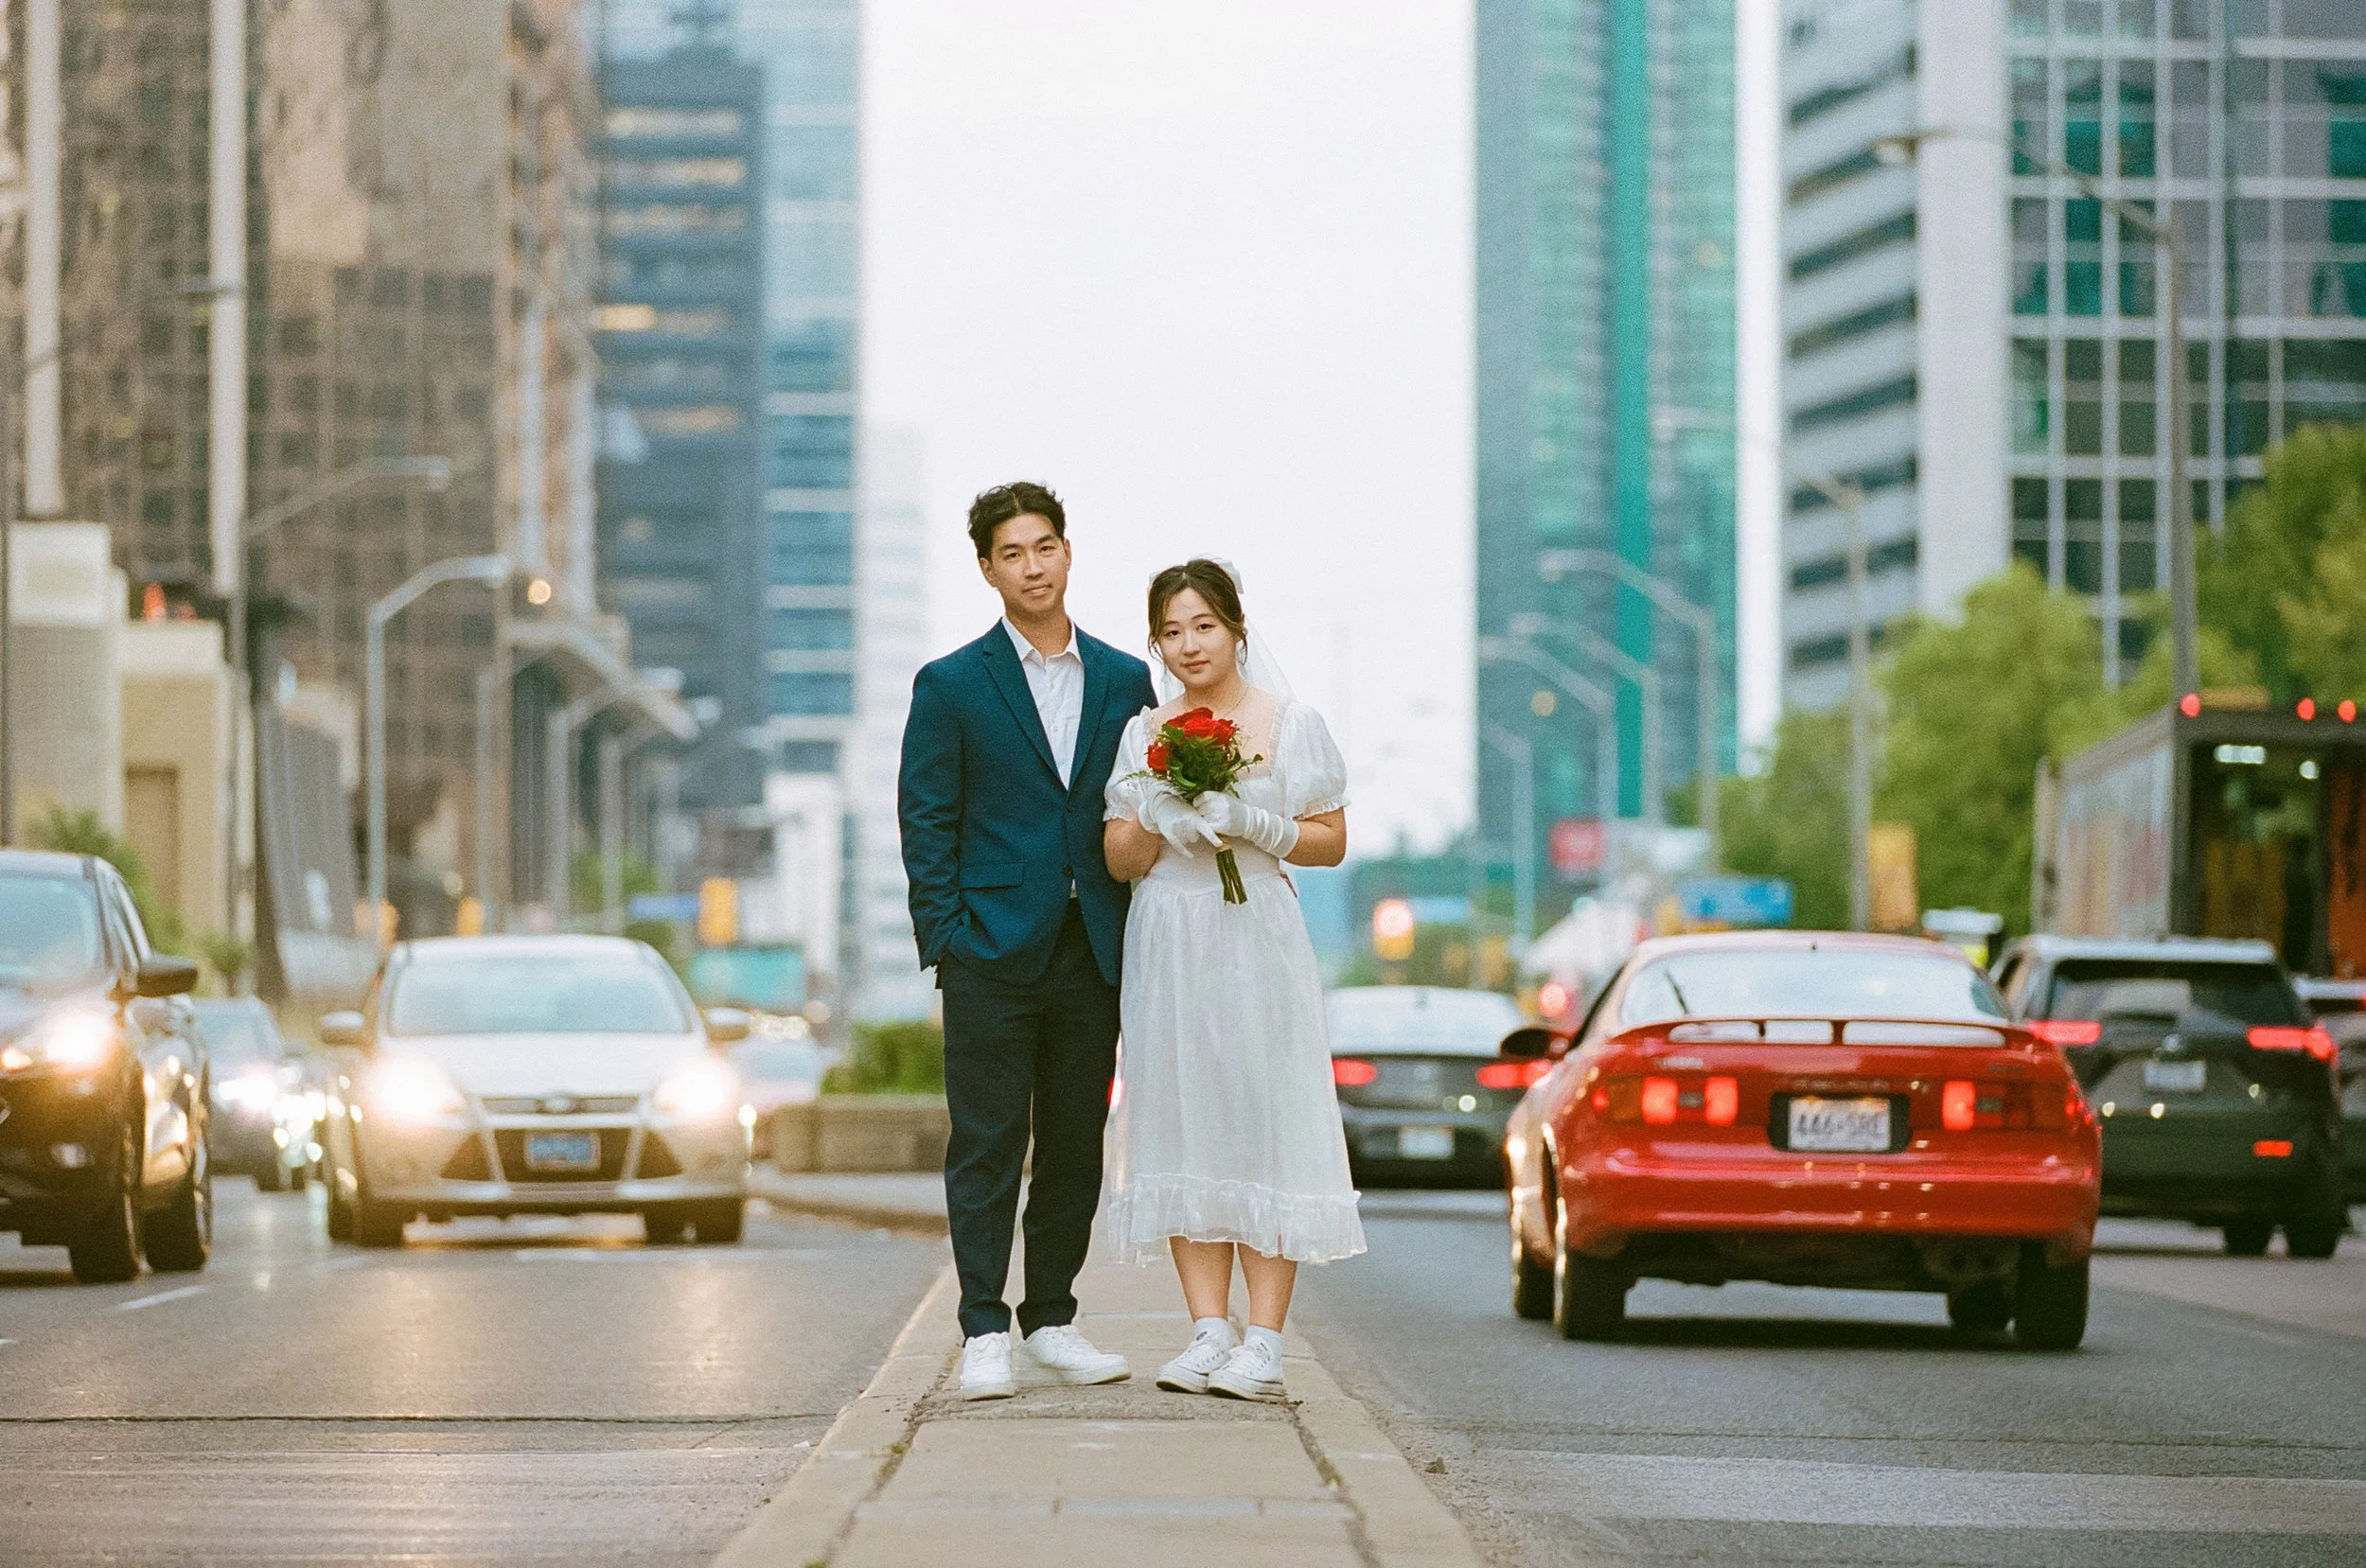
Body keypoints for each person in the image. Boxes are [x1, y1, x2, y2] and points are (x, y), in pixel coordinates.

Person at [898, 482, 1159, 1401]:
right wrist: (948, 938)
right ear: (986, 569)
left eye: (1043, 546)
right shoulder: (952, 684)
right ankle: (981, 1326)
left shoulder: (1127, 679)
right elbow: (926, 820)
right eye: (1011, 553)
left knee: (1076, 1142)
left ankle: (1051, 1316)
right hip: (989, 952)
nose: (1032, 566)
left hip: (1092, 946)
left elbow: (1144, 802)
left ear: (1068, 551)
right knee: (986, 1141)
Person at [1102, 559, 1364, 1402]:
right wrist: (1159, 816)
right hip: (1169, 937)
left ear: (1237, 627)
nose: (1188, 645)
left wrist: (1255, 821)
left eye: (1203, 626)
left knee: (1264, 1114)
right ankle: (1206, 1326)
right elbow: (1116, 856)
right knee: (1181, 1115)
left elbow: (1331, 838)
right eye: (1171, 632)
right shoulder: (1145, 731)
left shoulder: (1290, 722)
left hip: (1254, 935)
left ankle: (1265, 1338)